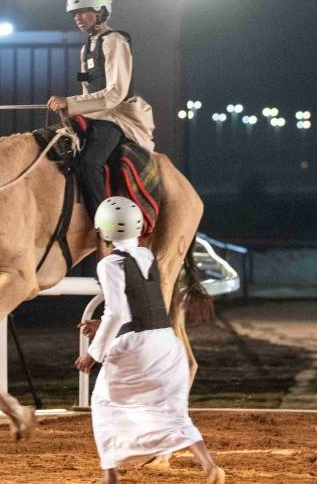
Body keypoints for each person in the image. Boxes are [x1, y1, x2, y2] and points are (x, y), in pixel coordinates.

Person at [75, 197, 225, 484]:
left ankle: (111, 477)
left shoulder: (109, 264)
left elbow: (116, 313)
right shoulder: (147, 256)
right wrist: (105, 324)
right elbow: (136, 308)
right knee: (171, 409)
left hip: (136, 347)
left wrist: (93, 354)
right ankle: (209, 467)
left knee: (104, 403)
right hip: (166, 342)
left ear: (104, 230)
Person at [47, 0, 156, 221]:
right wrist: (71, 111)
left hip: (117, 117)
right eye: (75, 14)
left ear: (101, 12)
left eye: (84, 12)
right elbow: (87, 89)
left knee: (88, 164)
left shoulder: (115, 41)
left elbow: (115, 93)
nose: (78, 18)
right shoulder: (85, 48)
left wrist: (70, 102)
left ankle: (105, 223)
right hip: (94, 115)